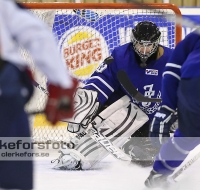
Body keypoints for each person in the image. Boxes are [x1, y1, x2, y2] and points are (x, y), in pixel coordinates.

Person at [52, 21, 177, 170]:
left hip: (153, 118)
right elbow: (102, 80)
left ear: (156, 43)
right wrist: (88, 102)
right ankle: (79, 153)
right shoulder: (121, 56)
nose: (144, 50)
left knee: (145, 156)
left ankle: (131, 145)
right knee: (119, 113)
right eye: (140, 45)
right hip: (124, 111)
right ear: (133, 41)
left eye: (148, 45)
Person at [0, 0, 78, 190]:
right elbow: (38, 35)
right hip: (6, 90)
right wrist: (61, 83)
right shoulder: (4, 5)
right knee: (13, 178)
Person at [144, 30, 200, 188]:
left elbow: (172, 69)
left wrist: (167, 107)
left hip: (192, 85)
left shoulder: (195, 35)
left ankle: (158, 176)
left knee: (186, 137)